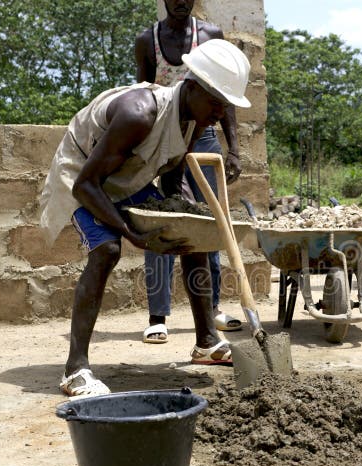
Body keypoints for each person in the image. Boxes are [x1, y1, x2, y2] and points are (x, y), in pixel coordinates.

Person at [39, 39, 252, 396]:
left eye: (225, 104)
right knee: (107, 249)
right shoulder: (140, 113)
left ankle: (206, 342)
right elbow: (86, 185)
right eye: (216, 101)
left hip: (129, 173)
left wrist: (180, 211)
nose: (220, 112)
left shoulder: (196, 118)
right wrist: (129, 232)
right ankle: (75, 369)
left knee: (193, 235)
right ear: (193, 85)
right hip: (81, 174)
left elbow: (171, 168)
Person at [134, 0, 243, 345]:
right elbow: (143, 92)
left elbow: (222, 96)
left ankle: (210, 309)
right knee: (161, 217)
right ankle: (158, 315)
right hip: (163, 134)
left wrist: (235, 148)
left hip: (204, 134)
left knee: (209, 220)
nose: (181, 1)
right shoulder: (147, 40)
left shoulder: (209, 35)